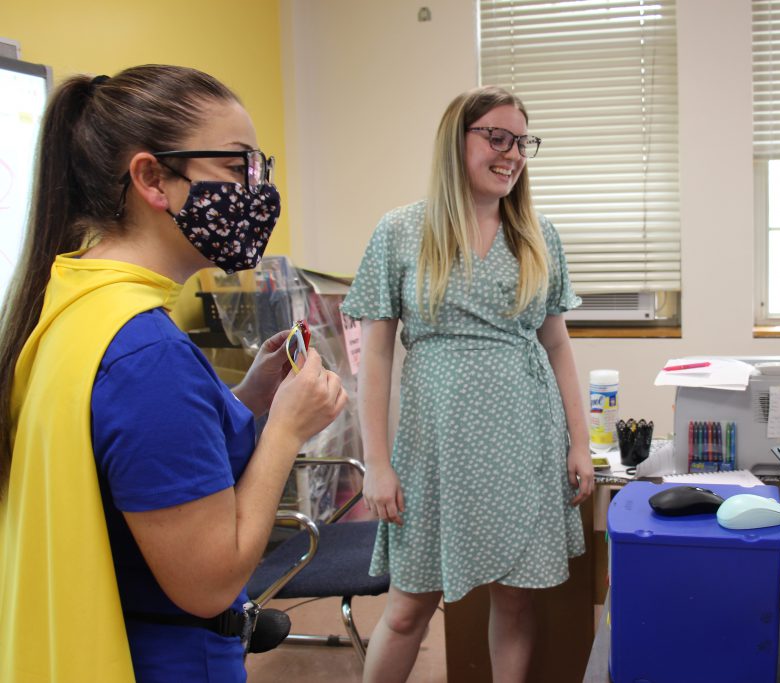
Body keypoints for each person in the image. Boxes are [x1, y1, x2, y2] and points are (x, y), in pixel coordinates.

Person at [0, 65, 348, 682]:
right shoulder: (147, 355)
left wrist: (249, 398)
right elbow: (210, 582)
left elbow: (141, 469)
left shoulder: (73, 304)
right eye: (238, 167)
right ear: (151, 178)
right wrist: (287, 431)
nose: (257, 191)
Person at [341, 85, 595, 683]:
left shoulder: (537, 234)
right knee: (407, 609)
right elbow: (374, 357)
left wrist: (578, 442)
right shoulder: (401, 231)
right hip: (435, 452)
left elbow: (557, 344)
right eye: (497, 138)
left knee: (515, 598)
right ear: (457, 142)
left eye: (522, 142)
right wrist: (376, 463)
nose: (512, 154)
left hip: (525, 444)